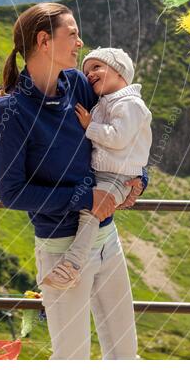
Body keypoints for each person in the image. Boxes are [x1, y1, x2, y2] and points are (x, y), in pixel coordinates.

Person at [0, 3, 146, 360]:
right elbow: (12, 193)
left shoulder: (77, 84)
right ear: (45, 41)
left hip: (108, 240)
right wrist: (83, 198)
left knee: (126, 357)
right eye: (72, 34)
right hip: (62, 252)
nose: (80, 42)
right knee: (72, 360)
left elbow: (121, 128)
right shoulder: (10, 110)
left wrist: (139, 178)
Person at [41, 48, 152, 290]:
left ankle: (71, 266)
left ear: (120, 72)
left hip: (118, 176)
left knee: (91, 211)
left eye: (97, 67)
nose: (90, 74)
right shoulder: (106, 102)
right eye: (87, 70)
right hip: (104, 174)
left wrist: (90, 125)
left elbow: (119, 138)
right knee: (90, 208)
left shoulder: (130, 104)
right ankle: (72, 265)